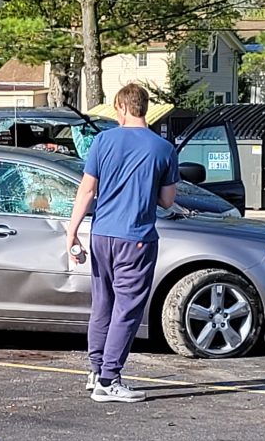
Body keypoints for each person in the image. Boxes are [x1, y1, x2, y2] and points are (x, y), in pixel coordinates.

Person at [66, 84, 188, 404]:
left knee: (103, 305)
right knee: (127, 309)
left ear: (121, 107)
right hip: (135, 238)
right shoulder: (163, 149)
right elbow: (166, 200)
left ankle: (95, 372)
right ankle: (109, 379)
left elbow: (87, 191)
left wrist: (72, 232)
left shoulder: (102, 141)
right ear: (143, 108)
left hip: (101, 235)